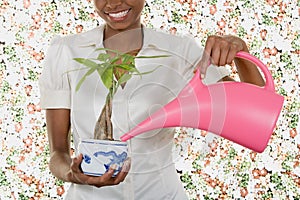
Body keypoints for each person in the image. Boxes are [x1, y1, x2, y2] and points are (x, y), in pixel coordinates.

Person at [39, 0, 265, 199]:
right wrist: (72, 173)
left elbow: (255, 113)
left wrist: (240, 52)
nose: (113, 3)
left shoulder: (179, 51)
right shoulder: (66, 51)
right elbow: (58, 153)